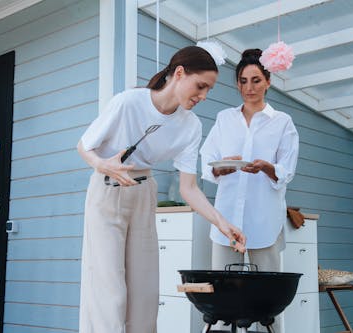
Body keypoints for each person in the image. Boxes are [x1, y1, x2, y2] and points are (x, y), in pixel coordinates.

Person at [77, 45, 246, 333]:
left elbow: (189, 188)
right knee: (109, 291)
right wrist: (103, 165)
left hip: (144, 194)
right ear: (179, 73)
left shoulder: (191, 126)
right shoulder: (128, 102)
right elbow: (84, 145)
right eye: (200, 86)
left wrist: (223, 223)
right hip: (107, 190)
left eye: (208, 90)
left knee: (144, 291)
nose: (203, 96)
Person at [200, 48, 299, 331]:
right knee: (220, 296)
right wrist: (222, 167)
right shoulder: (224, 119)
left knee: (269, 299)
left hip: (263, 220)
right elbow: (208, 164)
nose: (249, 87)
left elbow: (286, 170)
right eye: (243, 81)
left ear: (268, 81)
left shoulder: (283, 122)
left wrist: (267, 167)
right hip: (226, 220)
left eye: (255, 80)